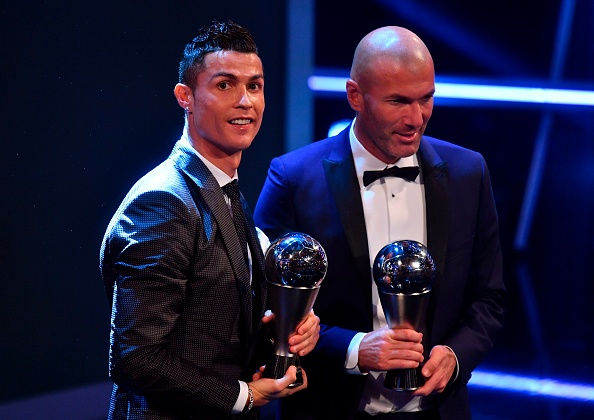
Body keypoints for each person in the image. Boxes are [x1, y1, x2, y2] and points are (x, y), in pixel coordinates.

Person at [254, 26, 506, 420]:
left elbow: (489, 298)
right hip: (330, 408)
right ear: (355, 95)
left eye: (426, 99)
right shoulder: (293, 178)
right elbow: (265, 309)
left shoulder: (468, 172)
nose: (416, 118)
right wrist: (354, 349)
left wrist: (455, 356)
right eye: (398, 101)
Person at [99, 20, 320, 419]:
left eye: (254, 86)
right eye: (225, 85)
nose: (245, 101)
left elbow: (220, 323)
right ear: (185, 96)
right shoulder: (163, 202)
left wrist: (288, 332)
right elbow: (136, 357)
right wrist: (244, 396)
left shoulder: (225, 189)